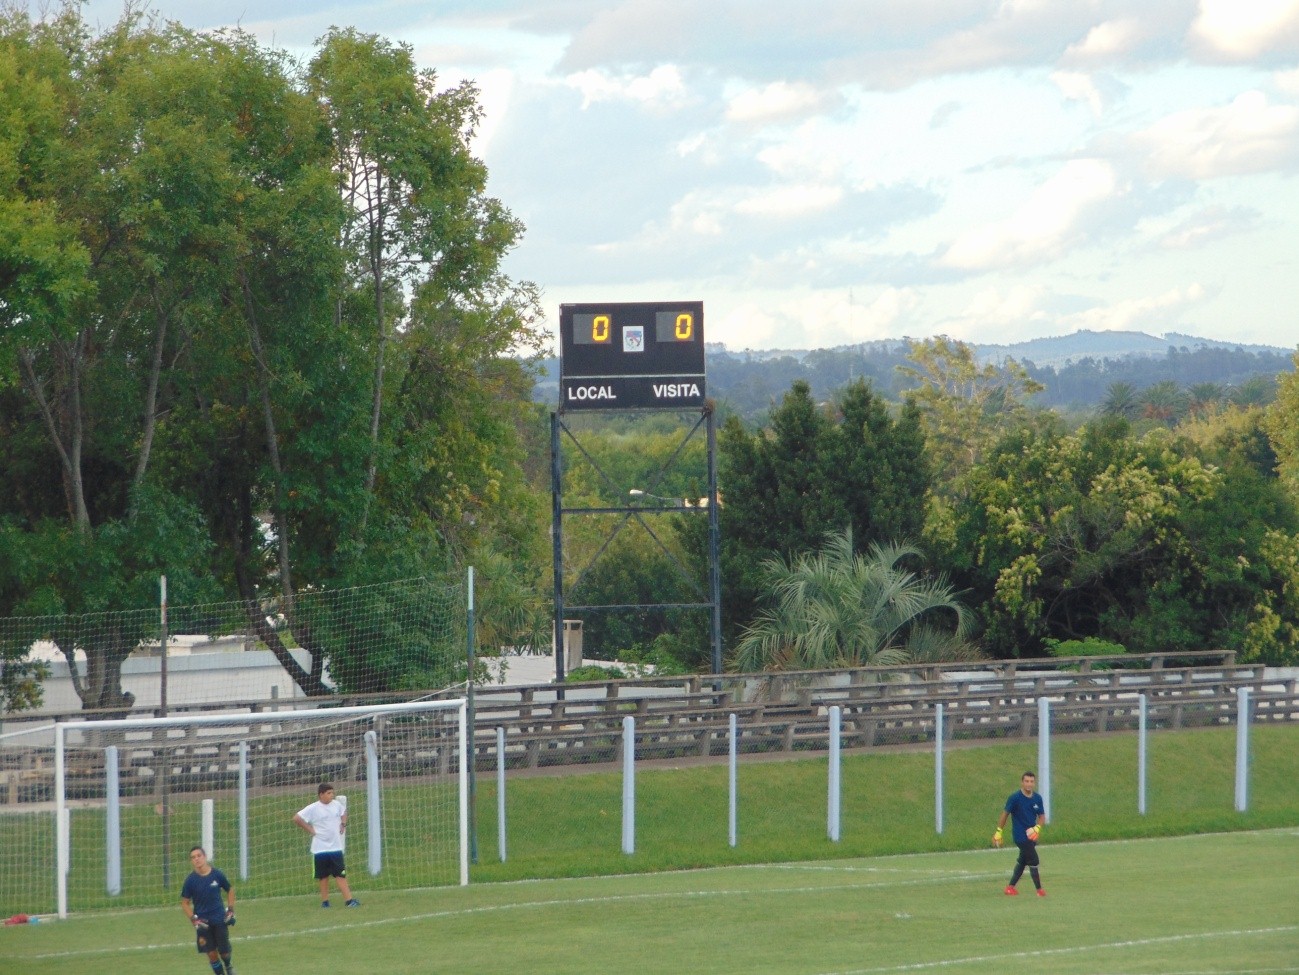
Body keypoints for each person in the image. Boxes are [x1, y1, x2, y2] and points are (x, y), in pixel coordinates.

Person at [293, 781, 360, 907]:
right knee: (323, 877)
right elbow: (296, 818)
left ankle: (349, 900)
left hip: (335, 847)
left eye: (332, 793)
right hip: (320, 848)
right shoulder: (313, 808)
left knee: (340, 874)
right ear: (321, 794)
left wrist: (343, 823)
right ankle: (325, 902)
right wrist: (310, 830)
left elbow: (343, 812)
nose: (331, 795)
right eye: (329, 793)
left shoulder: (336, 805)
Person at [180, 846, 237, 975]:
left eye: (198, 856)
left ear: (205, 857)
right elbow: (184, 903)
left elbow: (230, 889)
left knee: (224, 953)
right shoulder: (190, 881)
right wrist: (194, 919)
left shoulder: (217, 874)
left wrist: (231, 910)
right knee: (211, 954)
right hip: (203, 923)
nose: (196, 859)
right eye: (193, 857)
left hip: (219, 919)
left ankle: (228, 965)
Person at [993, 770, 1047, 897]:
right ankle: (1039, 890)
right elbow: (1005, 814)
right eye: (1026, 781)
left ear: (1034, 783)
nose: (1029, 784)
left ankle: (1010, 887)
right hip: (1020, 836)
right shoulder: (1015, 798)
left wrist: (1037, 828)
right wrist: (998, 832)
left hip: (1032, 835)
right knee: (1034, 860)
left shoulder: (1037, 798)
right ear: (1022, 782)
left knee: (1023, 860)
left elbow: (1042, 816)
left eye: (1031, 781)